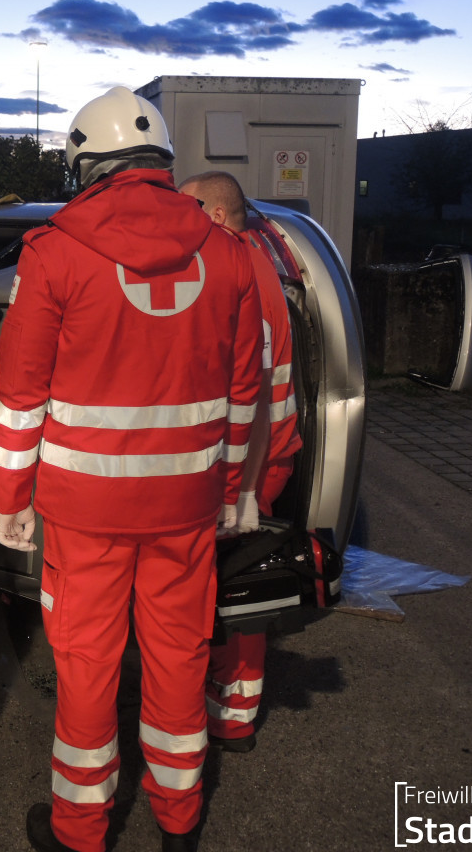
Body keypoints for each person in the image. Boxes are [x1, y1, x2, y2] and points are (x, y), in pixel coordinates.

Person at [0, 87, 264, 852]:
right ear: (161, 159)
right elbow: (243, 392)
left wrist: (10, 498)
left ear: (85, 165)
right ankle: (180, 821)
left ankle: (81, 830)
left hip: (83, 513)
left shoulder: (53, 251)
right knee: (179, 658)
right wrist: (233, 491)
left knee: (87, 667)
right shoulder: (228, 253)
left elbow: (19, 396)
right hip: (186, 507)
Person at [177, 170, 302, 753]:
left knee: (232, 589)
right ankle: (233, 711)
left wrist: (232, 487)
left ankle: (229, 716)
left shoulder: (235, 274)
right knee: (235, 584)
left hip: (247, 462)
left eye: (187, 211)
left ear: (217, 215)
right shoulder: (254, 261)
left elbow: (241, 385)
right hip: (262, 454)